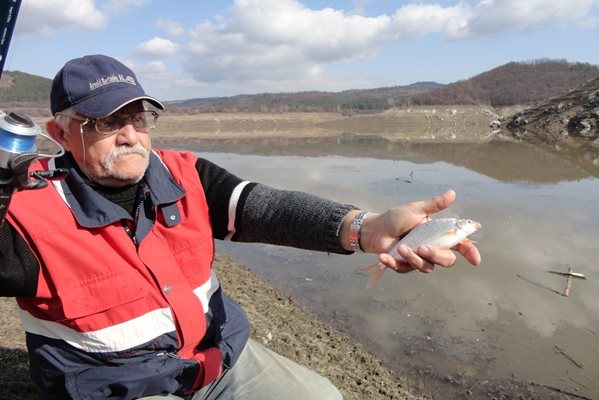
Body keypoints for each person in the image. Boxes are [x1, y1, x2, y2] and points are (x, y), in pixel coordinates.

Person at [0, 54, 481, 400]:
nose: (130, 134)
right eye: (106, 122)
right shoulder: (24, 212)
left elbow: (264, 208)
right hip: (114, 387)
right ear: (60, 132)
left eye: (138, 117)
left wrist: (367, 227)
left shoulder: (182, 174)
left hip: (215, 363)